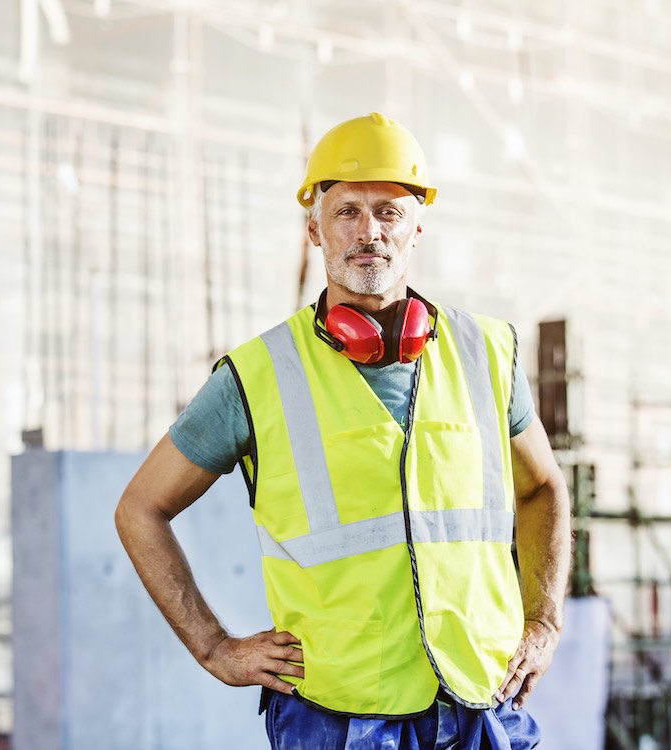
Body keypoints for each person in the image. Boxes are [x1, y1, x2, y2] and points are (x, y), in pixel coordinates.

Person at [115, 112, 571, 750]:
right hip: (339, 717)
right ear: (313, 229)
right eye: (347, 211)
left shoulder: (487, 352)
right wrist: (215, 648)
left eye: (389, 211)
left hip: (481, 704)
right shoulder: (258, 375)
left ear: (417, 228)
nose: (369, 233)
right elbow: (140, 508)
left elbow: (543, 486)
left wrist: (543, 620)